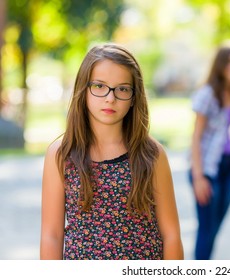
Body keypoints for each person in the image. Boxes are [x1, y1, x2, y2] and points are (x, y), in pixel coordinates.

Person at [40, 43, 184, 260]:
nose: (110, 98)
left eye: (123, 89)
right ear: (83, 88)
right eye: (99, 86)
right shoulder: (61, 154)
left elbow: (171, 235)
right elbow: (51, 234)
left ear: (135, 97)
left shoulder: (151, 154)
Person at [189, 46, 230, 260]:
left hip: (229, 165)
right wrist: (198, 176)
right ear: (221, 65)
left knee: (215, 227)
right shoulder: (207, 94)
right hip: (208, 168)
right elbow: (195, 138)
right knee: (207, 230)